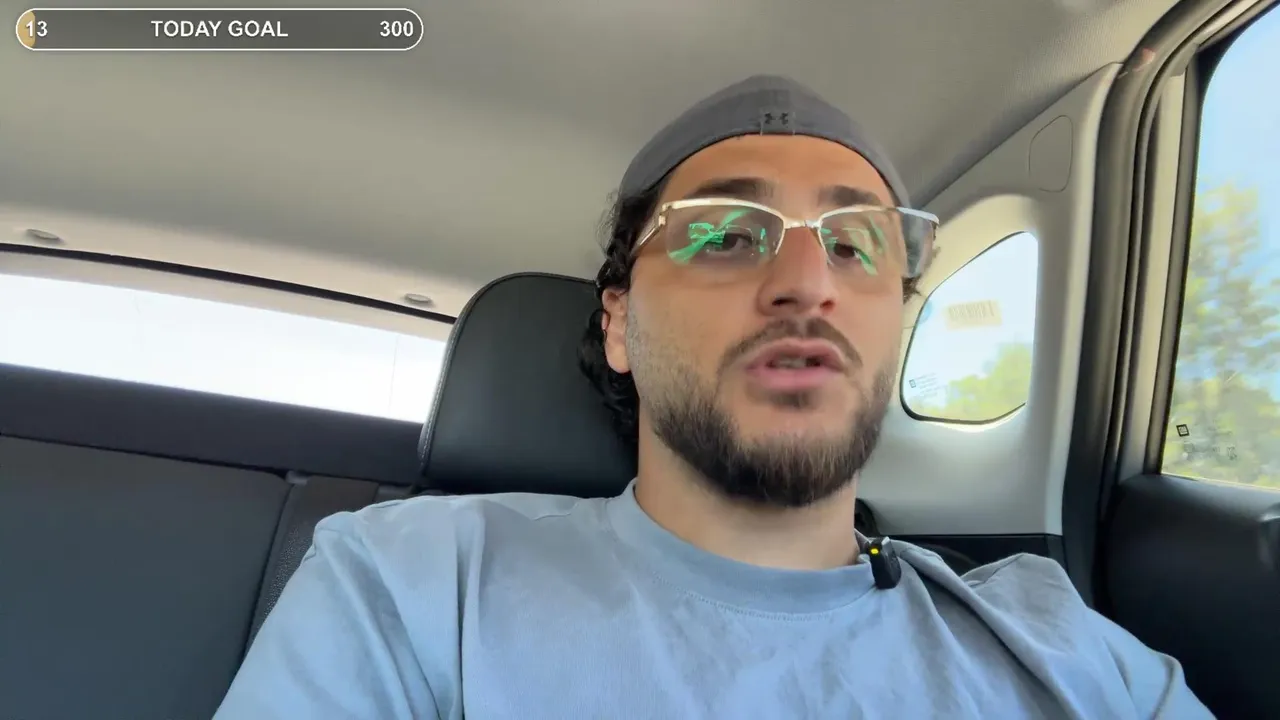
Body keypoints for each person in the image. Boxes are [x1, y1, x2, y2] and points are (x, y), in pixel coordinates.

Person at [215, 75, 1210, 719]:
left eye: (858, 244)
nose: (807, 284)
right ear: (619, 326)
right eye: (724, 235)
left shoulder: (1057, 641)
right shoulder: (412, 581)